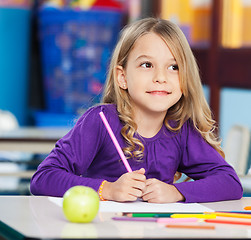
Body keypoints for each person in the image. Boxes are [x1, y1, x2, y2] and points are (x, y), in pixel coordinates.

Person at [30, 18, 243, 203]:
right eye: (147, 65)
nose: (161, 77)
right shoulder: (100, 121)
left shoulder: (180, 129)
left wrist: (176, 191)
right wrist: (108, 190)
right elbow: (43, 178)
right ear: (122, 77)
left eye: (173, 67)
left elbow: (230, 183)